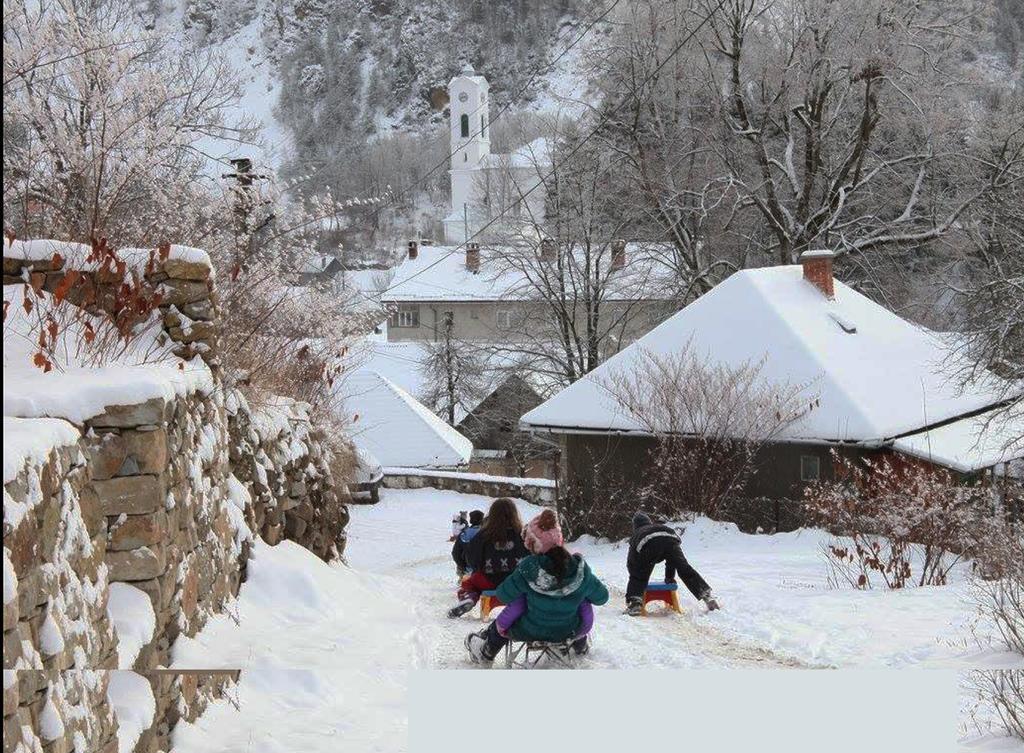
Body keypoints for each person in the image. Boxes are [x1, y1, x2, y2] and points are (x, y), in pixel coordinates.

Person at [465, 509, 609, 664]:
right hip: (568, 630)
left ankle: (487, 652)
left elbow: (502, 595)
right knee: (581, 603)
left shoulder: (528, 568)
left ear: (533, 544)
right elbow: (602, 598)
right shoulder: (580, 570)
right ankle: (580, 648)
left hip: (530, 630)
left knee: (511, 614)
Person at [625, 511, 720, 616]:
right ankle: (706, 595)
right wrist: (669, 578)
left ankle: (635, 604)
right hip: (671, 539)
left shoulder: (638, 533)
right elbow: (671, 560)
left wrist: (634, 573)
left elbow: (632, 561)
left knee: (639, 573)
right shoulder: (659, 527)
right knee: (684, 568)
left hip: (650, 544)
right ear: (649, 522)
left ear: (635, 526)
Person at [447, 498, 529, 618]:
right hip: (517, 583)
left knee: (469, 582)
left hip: (489, 581)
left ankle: (470, 597)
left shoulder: (484, 535)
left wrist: (478, 568)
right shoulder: (523, 534)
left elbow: (472, 557)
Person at [451, 510, 484, 578]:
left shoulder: (464, 534)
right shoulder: (487, 533)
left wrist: (463, 567)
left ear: (471, 520)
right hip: (483, 570)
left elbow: (455, 553)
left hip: (467, 569)